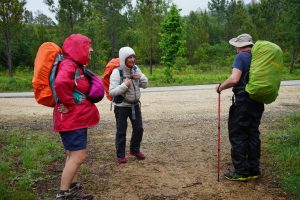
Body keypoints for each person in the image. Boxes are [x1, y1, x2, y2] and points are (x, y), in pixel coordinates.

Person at [54, 34, 99, 199]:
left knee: (72, 154)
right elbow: (60, 83)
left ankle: (71, 188)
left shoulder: (74, 65)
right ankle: (63, 193)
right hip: (71, 120)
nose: (91, 50)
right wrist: (69, 103)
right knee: (79, 155)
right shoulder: (68, 64)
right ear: (79, 48)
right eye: (88, 47)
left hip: (75, 119)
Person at [216, 33, 264, 181]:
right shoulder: (257, 58)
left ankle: (242, 172)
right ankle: (254, 169)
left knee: (238, 135)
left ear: (239, 46)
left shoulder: (241, 56)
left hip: (243, 102)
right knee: (252, 134)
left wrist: (220, 87)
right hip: (257, 101)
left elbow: (235, 79)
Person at [109, 46, 148, 164]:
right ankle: (120, 155)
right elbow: (112, 92)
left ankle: (134, 150)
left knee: (139, 129)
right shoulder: (117, 72)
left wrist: (140, 77)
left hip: (135, 105)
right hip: (121, 107)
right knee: (121, 130)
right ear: (123, 59)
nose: (132, 60)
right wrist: (125, 85)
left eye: (133, 57)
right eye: (129, 57)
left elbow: (146, 85)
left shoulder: (136, 69)